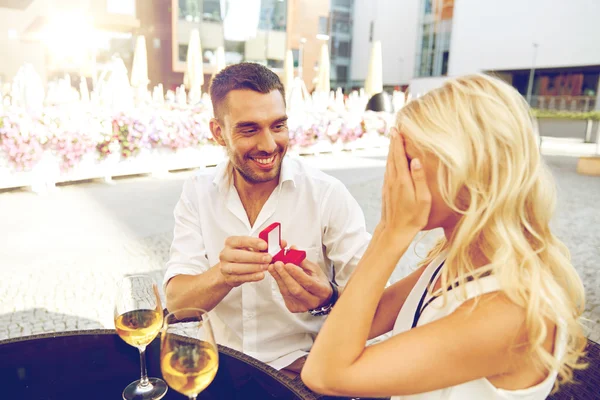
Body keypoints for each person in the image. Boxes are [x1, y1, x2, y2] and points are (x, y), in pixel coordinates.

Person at [301, 74, 587, 399]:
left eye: (407, 162)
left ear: (467, 170)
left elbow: (324, 373)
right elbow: (370, 317)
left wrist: (390, 233)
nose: (394, 178)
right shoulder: (454, 258)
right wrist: (326, 297)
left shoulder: (507, 313)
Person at [163, 62, 371, 376]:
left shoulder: (327, 194)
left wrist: (328, 297)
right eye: (249, 129)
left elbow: (373, 297)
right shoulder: (198, 192)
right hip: (222, 366)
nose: (269, 145)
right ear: (219, 132)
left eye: (278, 126)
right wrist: (223, 275)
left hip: (301, 368)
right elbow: (177, 302)